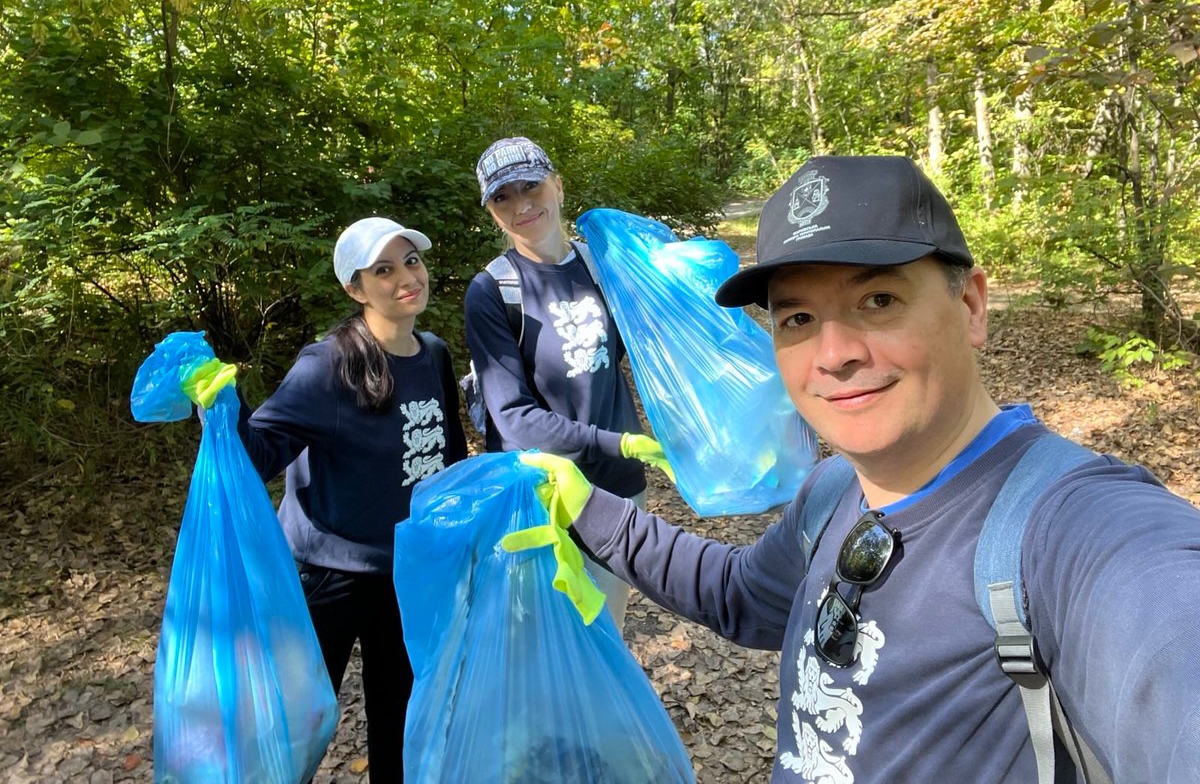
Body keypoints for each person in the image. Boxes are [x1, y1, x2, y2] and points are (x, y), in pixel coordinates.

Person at [517, 155, 1200, 782]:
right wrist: (588, 509)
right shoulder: (834, 490)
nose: (834, 352)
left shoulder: (1076, 534)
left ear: (970, 306)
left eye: (878, 302)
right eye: (799, 317)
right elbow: (743, 597)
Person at [236, 216, 468, 782]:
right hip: (327, 576)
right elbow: (259, 456)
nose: (405, 278)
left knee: (402, 717)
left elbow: (450, 460)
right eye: (382, 270)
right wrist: (223, 407)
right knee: (298, 722)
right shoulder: (327, 364)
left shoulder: (433, 353)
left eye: (410, 260)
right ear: (355, 288)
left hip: (407, 572)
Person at [463, 136, 671, 631]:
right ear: (492, 212)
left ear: (557, 185)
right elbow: (512, 416)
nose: (521, 204)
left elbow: (634, 354)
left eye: (530, 186)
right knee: (541, 648)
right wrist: (617, 441)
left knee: (605, 637)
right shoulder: (493, 290)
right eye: (502, 197)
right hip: (541, 498)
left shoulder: (604, 267)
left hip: (615, 493)